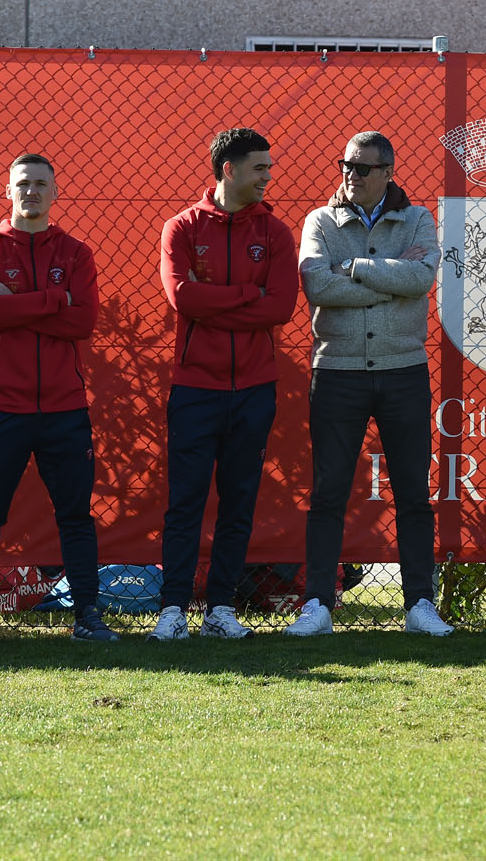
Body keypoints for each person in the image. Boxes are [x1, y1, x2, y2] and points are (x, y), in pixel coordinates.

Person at [284, 131, 454, 637]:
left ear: (387, 173)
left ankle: (420, 604)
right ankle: (318, 604)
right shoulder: (320, 220)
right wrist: (388, 285)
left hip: (403, 370)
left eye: (362, 167)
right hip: (337, 370)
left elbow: (421, 280)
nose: (350, 175)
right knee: (329, 493)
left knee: (413, 494)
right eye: (346, 165)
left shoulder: (418, 219)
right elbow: (317, 285)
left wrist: (355, 268)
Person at [0, 153, 119, 645]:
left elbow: (83, 321)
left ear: (55, 193)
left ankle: (87, 617)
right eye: (23, 183)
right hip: (2, 406)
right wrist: (55, 300)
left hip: (65, 407)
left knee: (75, 516)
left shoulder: (75, 253)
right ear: (7, 191)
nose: (32, 192)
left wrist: (18, 299)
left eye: (41, 184)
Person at [150, 129, 299, 641]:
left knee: (238, 504)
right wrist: (247, 294)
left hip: (255, 389)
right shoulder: (181, 227)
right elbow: (182, 298)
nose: (268, 176)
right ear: (228, 170)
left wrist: (215, 299)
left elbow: (280, 307)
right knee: (185, 503)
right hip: (195, 388)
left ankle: (219, 610)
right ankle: (173, 610)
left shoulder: (275, 232)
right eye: (260, 167)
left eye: (268, 167)